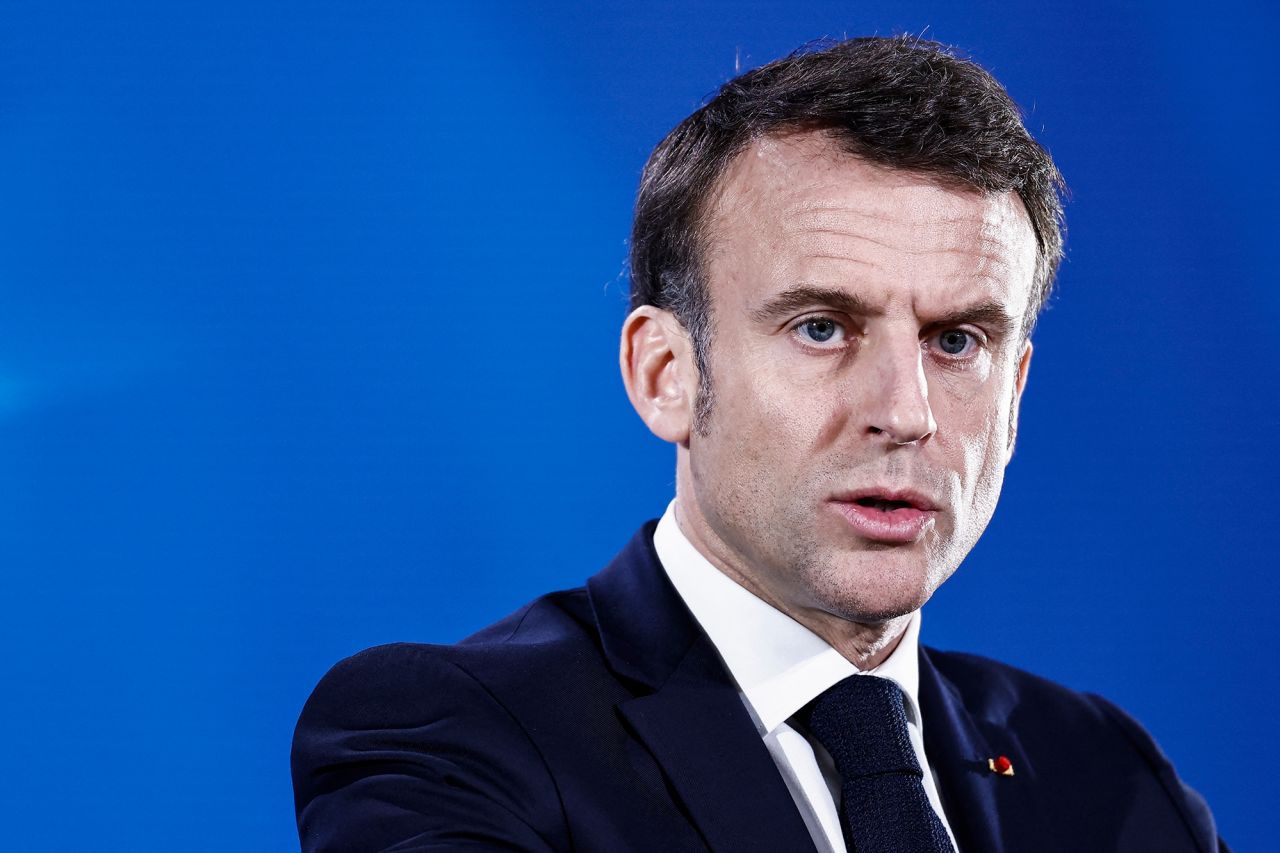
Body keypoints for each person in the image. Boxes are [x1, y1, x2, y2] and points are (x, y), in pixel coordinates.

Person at [292, 35, 1225, 852]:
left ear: (1015, 394)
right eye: (822, 327)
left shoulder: (1111, 775)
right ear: (665, 373)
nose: (905, 411)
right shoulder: (447, 738)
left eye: (956, 341)